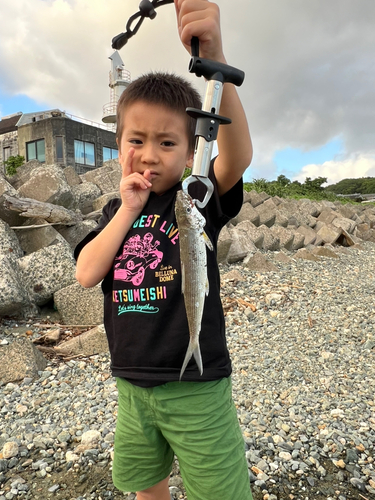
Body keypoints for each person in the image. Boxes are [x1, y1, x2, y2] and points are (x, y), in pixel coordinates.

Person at [75, 0, 253, 498]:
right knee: (144, 484)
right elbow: (87, 274)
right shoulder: (116, 213)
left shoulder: (196, 197)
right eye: (137, 140)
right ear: (118, 144)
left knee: (217, 489)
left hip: (198, 388)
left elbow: (237, 154)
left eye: (168, 143)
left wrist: (217, 56)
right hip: (132, 387)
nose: (150, 154)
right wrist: (128, 210)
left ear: (193, 147)